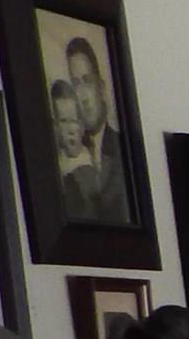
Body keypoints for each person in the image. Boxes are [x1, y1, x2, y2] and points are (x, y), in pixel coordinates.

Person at [61, 37, 129, 224]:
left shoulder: (124, 150)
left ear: (102, 88)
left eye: (87, 81)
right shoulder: (68, 161)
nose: (83, 96)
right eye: (75, 84)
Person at [49, 80, 110, 227]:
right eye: (63, 121)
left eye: (74, 121)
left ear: (82, 127)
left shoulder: (89, 166)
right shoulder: (56, 163)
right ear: (55, 126)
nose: (70, 129)